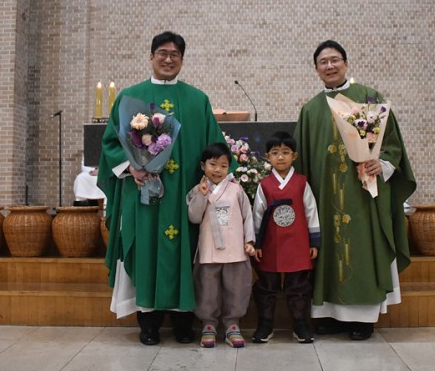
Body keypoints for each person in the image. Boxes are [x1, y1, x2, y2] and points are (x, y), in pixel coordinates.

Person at [97, 31, 228, 345]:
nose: (168, 59)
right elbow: (111, 143)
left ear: (182, 59)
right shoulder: (131, 97)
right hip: (143, 194)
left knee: (186, 251)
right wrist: (131, 167)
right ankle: (149, 323)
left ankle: (184, 322)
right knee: (146, 250)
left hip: (185, 196)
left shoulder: (198, 100)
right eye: (162, 53)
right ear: (151, 56)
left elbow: (216, 147)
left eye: (175, 54)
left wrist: (212, 178)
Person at [294, 40, 416, 341]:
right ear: (316, 69)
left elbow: (390, 145)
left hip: (362, 194)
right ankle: (331, 316)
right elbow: (302, 160)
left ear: (346, 64)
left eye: (335, 59)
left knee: (362, 249)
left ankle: (363, 319)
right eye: (323, 62)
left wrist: (381, 163)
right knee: (328, 250)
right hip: (325, 197)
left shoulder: (368, 99)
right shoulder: (311, 110)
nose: (330, 66)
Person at [251, 131, 320, 344]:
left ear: (294, 156)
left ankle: (300, 324)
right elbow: (257, 214)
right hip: (270, 243)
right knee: (267, 285)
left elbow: (311, 211)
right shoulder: (264, 185)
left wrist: (314, 241)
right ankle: (265, 324)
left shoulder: (301, 183)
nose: (280, 157)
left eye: (285, 152)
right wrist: (257, 243)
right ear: (267, 157)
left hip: (298, 242)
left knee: (298, 286)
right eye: (275, 153)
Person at [187, 142, 256, 348]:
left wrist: (249, 241)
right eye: (213, 164)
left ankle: (232, 325)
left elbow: (247, 216)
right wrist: (201, 195)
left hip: (235, 249)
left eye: (223, 166)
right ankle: (208, 324)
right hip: (209, 249)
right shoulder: (198, 190)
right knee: (207, 289)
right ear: (203, 165)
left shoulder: (236, 189)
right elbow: (194, 217)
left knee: (236, 288)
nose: (217, 170)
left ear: (229, 167)